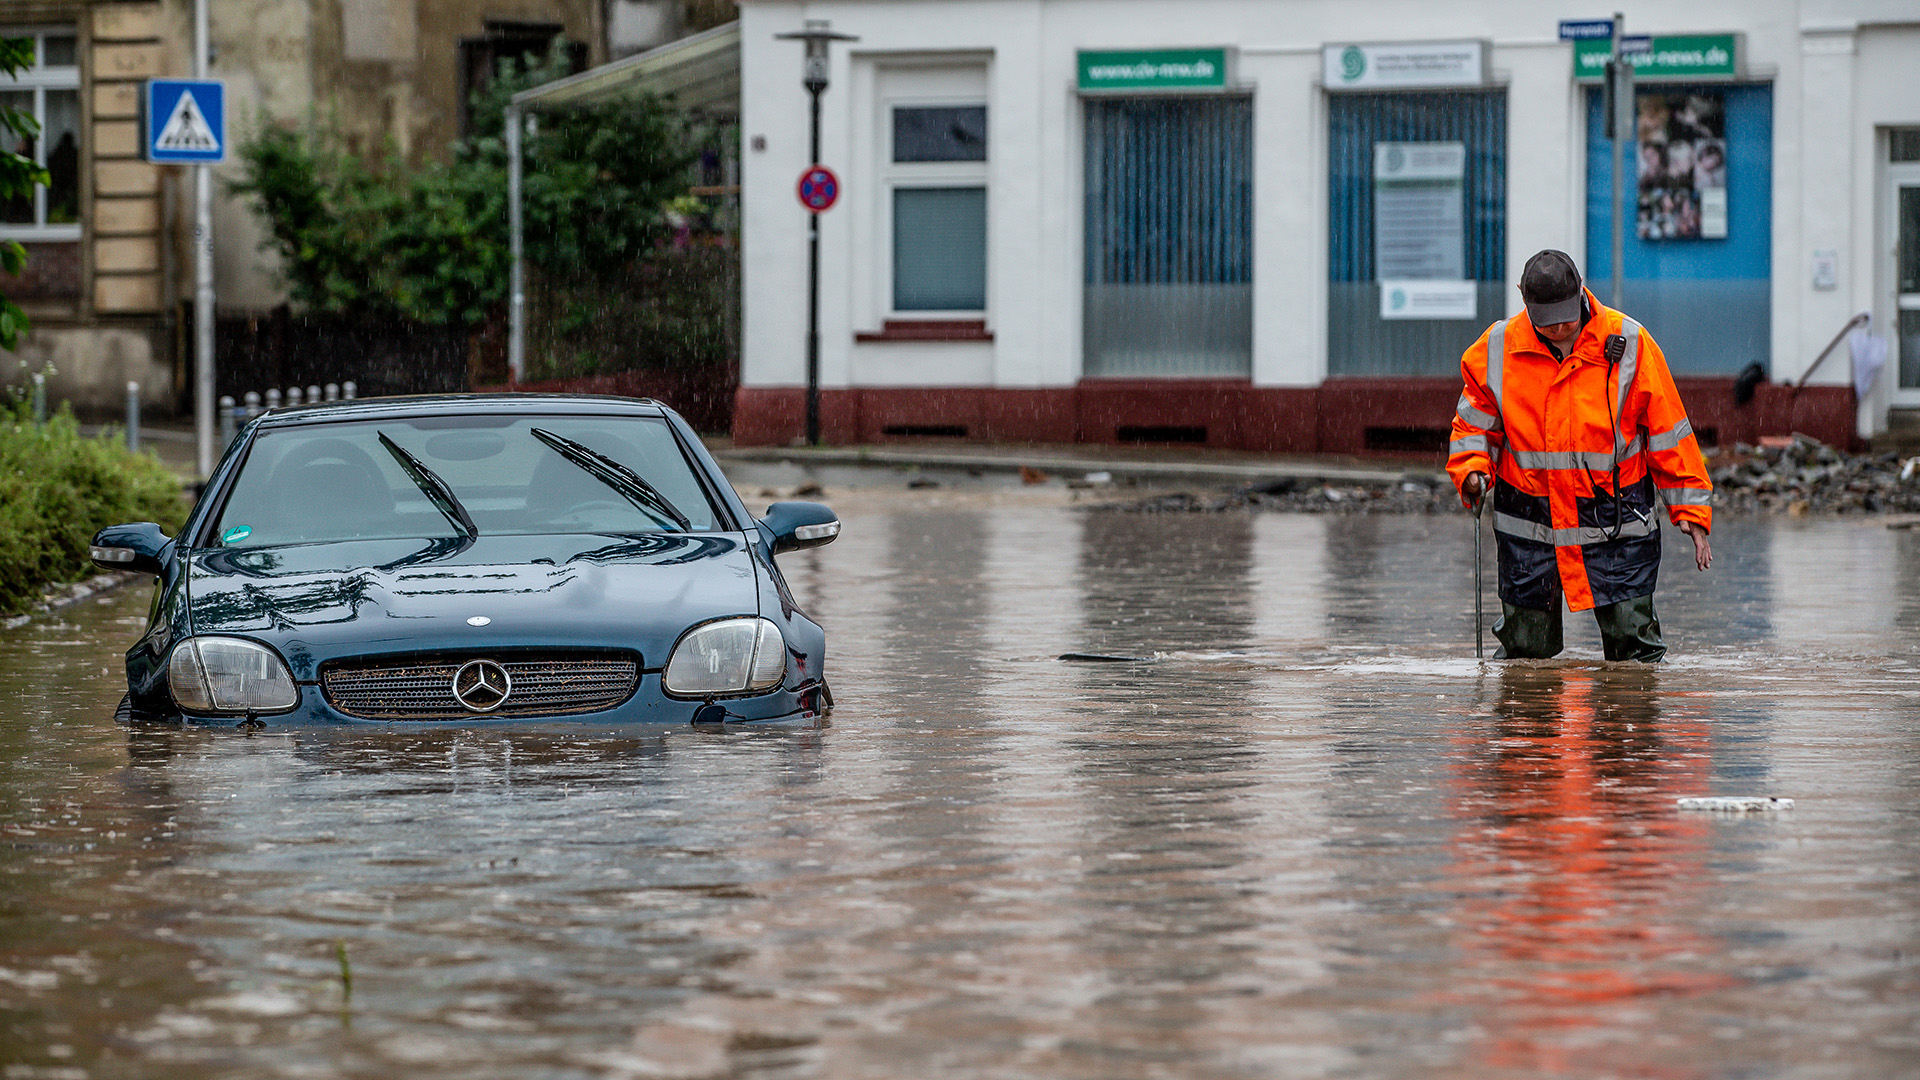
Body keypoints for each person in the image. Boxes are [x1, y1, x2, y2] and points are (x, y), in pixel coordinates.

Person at [1448, 249, 1713, 662]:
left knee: (1634, 651)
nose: (1557, 328)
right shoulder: (1497, 350)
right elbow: (1473, 428)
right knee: (1525, 655)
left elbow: (1668, 434)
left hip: (1616, 524)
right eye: (1547, 320)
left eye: (1566, 318)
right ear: (1523, 300)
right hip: (1530, 528)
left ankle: (1632, 723)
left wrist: (1692, 514)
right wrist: (1470, 471)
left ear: (1582, 291)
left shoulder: (1630, 345)